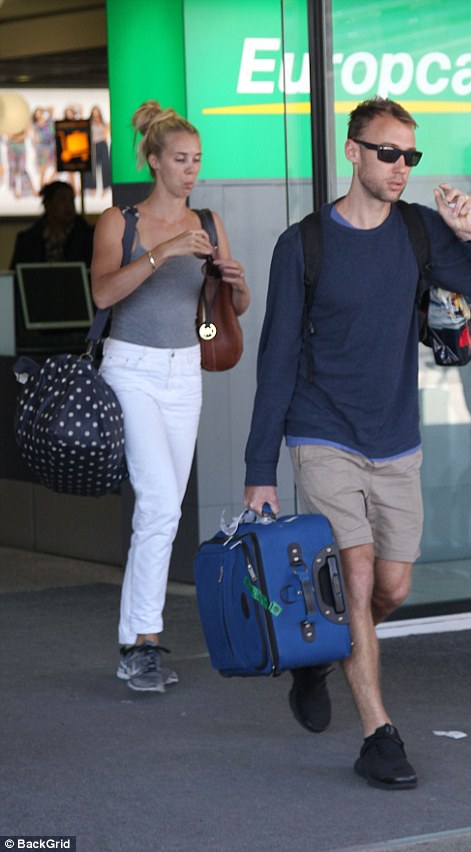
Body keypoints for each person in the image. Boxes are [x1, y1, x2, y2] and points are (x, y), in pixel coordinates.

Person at [243, 96, 471, 789]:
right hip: (322, 431)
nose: (401, 167)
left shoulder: (423, 234)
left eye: (410, 156)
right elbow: (276, 357)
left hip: (395, 438)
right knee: (358, 576)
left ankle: (317, 653)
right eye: (388, 153)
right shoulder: (302, 244)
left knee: (390, 588)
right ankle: (379, 734)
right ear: (353, 152)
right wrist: (260, 468)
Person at [91, 100, 250, 693]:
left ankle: (138, 640)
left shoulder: (208, 221)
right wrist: (162, 253)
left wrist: (235, 284)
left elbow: (232, 308)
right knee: (159, 504)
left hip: (185, 370)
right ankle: (142, 642)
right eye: (180, 159)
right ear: (154, 162)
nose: (191, 170)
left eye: (198, 160)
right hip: (129, 369)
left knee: (166, 507)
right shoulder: (120, 222)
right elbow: (104, 295)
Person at [10, 180, 94, 268]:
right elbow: (16, 274)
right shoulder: (27, 240)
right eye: (62, 200)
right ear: (48, 204)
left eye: (71, 201)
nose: (68, 206)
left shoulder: (88, 237)